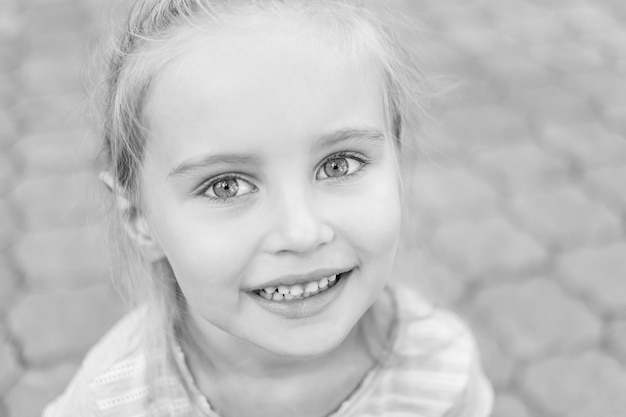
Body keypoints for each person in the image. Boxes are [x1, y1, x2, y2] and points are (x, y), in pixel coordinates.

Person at [44, 0, 493, 415]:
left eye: (338, 165)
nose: (300, 233)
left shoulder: (443, 374)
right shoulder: (108, 400)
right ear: (139, 219)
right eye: (226, 186)